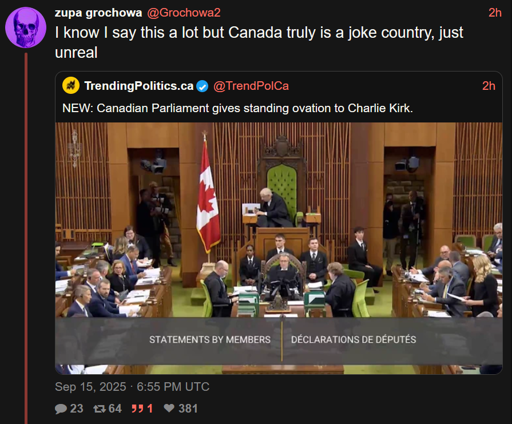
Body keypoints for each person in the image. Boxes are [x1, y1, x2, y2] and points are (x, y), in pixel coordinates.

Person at [149, 182, 177, 267]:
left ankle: (170, 258)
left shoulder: (163, 197)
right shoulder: (149, 198)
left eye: (156, 187)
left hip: (162, 222)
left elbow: (170, 208)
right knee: (155, 243)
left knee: (167, 241)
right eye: (152, 188)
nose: (154, 189)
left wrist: (159, 210)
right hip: (153, 223)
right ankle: (157, 260)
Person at [347, 227, 382, 292]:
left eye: (362, 232)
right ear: (355, 234)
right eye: (359, 233)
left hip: (364, 264)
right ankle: (368, 288)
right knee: (370, 271)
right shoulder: (352, 247)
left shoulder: (365, 243)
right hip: (355, 265)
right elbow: (352, 261)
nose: (361, 234)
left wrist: (367, 264)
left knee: (379, 269)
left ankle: (372, 286)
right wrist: (364, 266)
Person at [136, 189, 162, 267]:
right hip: (146, 233)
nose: (149, 196)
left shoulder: (152, 204)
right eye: (147, 194)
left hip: (155, 232)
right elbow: (142, 220)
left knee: (157, 250)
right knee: (149, 250)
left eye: (149, 194)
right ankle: (150, 266)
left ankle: (156, 265)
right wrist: (151, 215)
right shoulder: (140, 207)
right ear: (142, 196)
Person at [399, 190, 425, 269]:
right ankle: (403, 266)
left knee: (413, 251)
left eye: (413, 196)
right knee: (403, 250)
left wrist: (419, 216)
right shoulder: (405, 207)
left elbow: (423, 216)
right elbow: (403, 218)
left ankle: (411, 267)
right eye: (410, 195)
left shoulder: (419, 207)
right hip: (405, 230)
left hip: (414, 231)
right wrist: (413, 217)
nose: (411, 197)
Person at [383, 194, 400, 276]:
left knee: (391, 254)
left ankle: (388, 269)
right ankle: (379, 268)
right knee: (381, 252)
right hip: (383, 235)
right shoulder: (382, 208)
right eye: (388, 199)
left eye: (391, 199)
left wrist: (392, 210)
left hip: (392, 235)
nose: (389, 201)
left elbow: (397, 219)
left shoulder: (396, 208)